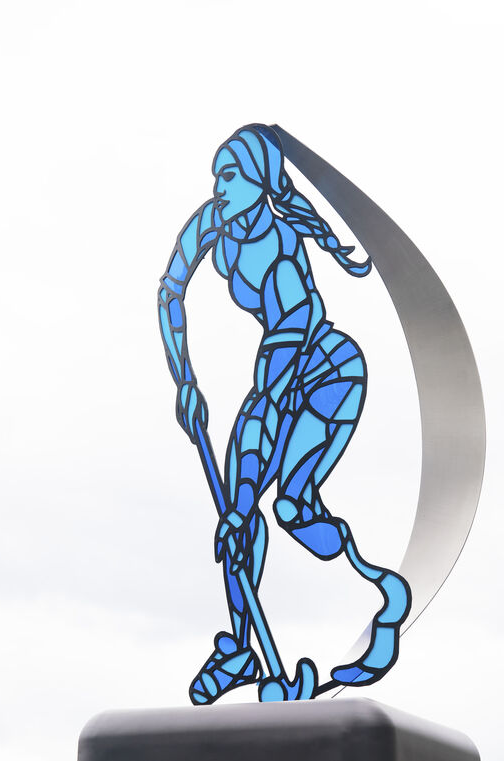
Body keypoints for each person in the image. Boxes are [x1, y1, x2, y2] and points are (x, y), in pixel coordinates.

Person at [158, 124, 411, 704]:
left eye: (231, 176)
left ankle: (382, 592)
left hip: (326, 373)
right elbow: (169, 291)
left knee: (287, 506)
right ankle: (241, 649)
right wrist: (185, 379)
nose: (219, 187)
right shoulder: (214, 222)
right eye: (217, 176)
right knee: (241, 509)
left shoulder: (283, 263)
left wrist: (240, 505)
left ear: (260, 181)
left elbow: (268, 403)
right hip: (283, 376)